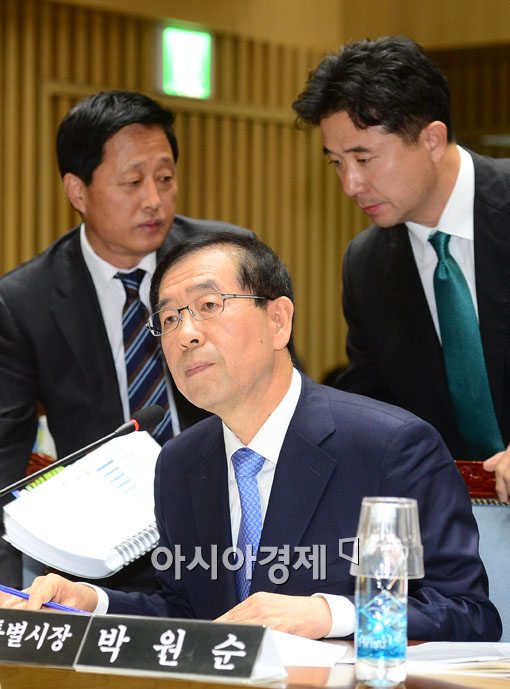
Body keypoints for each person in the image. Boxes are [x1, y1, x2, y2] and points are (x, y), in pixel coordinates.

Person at [3, 232, 501, 642]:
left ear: (279, 320)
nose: (186, 333)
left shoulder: (390, 447)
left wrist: (329, 615)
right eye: (169, 318)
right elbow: (190, 614)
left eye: (208, 305)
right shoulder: (178, 462)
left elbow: (468, 615)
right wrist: (92, 603)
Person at [292, 35, 510, 637]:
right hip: (459, 549)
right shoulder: (366, 265)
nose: (350, 184)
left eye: (364, 158)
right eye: (336, 163)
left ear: (432, 139)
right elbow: (374, 413)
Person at [0, 90, 252, 591]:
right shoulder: (25, 302)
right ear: (78, 191)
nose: (153, 199)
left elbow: (283, 395)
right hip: (106, 561)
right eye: (133, 182)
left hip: (237, 529)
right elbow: (6, 470)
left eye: (165, 178)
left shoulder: (226, 261)